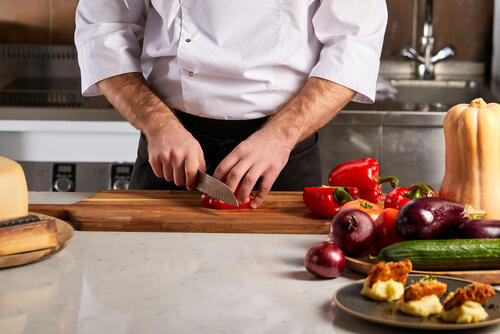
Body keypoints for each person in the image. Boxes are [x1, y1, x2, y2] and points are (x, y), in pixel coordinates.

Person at [74, 1, 388, 208]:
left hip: (280, 154)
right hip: (170, 150)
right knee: (151, 288)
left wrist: (281, 136)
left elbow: (354, 42)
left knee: (283, 298)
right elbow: (103, 29)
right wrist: (157, 123)